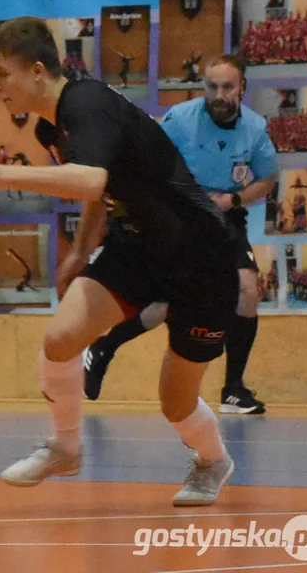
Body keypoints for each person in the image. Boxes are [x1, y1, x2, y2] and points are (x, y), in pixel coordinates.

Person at [0, 16, 240, 506]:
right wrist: (81, 249)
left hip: (198, 254)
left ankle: (213, 461)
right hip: (137, 246)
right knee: (61, 339)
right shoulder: (50, 126)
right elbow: (100, 190)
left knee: (175, 402)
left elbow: (89, 180)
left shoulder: (87, 103)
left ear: (37, 71)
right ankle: (65, 446)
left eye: (2, 75)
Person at [83, 54, 278, 415]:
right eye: (212, 86)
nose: (219, 95)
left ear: (242, 89)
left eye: (227, 87)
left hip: (224, 219)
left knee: (248, 291)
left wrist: (234, 198)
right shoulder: (179, 121)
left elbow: (267, 179)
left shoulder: (254, 128)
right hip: (180, 217)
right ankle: (103, 347)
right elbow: (145, 162)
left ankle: (234, 390)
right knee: (164, 304)